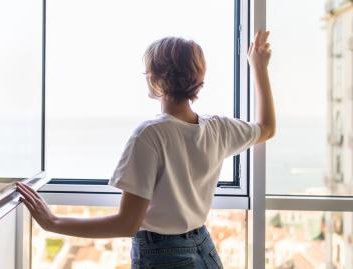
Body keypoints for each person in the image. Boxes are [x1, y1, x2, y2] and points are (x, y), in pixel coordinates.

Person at [16, 30, 275, 268]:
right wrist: (259, 67)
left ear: (155, 79)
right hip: (205, 249)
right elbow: (267, 128)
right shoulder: (218, 129)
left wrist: (53, 222)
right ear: (198, 78)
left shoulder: (149, 135)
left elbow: (127, 223)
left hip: (164, 255)